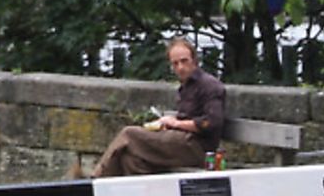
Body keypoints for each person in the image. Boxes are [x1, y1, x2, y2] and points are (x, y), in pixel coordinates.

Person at [94, 37, 227, 176]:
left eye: (184, 61)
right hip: (181, 142)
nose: (180, 67)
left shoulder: (210, 85)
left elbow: (211, 123)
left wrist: (175, 123)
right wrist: (168, 124)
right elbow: (187, 117)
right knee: (131, 159)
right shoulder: (186, 87)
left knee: (129, 134)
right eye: (175, 64)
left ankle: (94, 180)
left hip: (198, 149)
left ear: (194, 60)